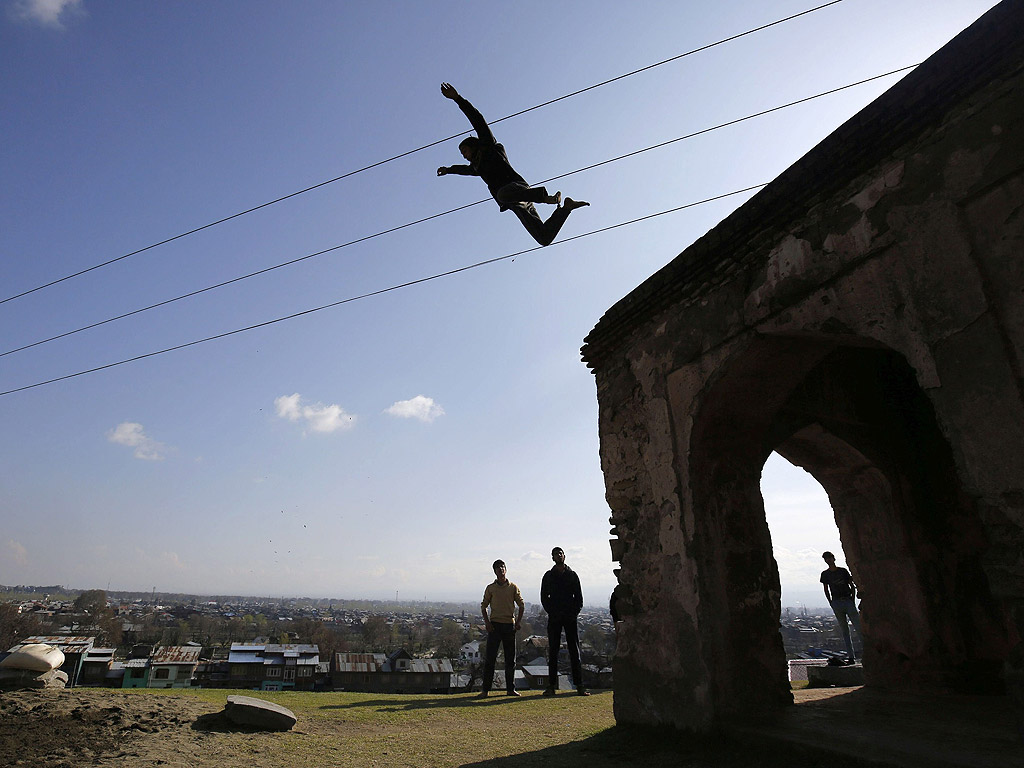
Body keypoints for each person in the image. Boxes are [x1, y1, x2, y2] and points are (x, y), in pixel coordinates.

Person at [436, 82, 589, 246]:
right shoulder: (476, 167)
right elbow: (464, 170)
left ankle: (545, 197)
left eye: (465, 151)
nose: (464, 156)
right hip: (519, 201)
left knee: (502, 194)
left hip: (517, 187)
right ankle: (566, 208)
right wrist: (448, 170)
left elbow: (478, 121)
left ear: (473, 145)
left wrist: (457, 99)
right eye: (462, 154)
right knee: (543, 238)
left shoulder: (489, 146)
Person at [540, 546, 589, 696]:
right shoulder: (548, 576)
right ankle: (551, 686)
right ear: (552, 558)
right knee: (553, 651)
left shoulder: (572, 575)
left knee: (574, 650)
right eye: (555, 554)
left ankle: (579, 685)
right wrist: (552, 612)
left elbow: (579, 598)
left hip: (569, 617)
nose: (558, 556)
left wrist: (573, 613)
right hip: (555, 618)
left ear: (564, 556)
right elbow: (544, 597)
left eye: (560, 553)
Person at [479, 559, 525, 697]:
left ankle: (510, 689)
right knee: (490, 659)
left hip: (509, 626)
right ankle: (485, 690)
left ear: (506, 569)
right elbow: (483, 606)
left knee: (510, 660)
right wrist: (487, 623)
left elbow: (521, 605)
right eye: (498, 567)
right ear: (494, 571)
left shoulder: (513, 587)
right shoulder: (490, 588)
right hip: (494, 626)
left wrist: (518, 622)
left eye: (502, 567)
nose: (501, 569)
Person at [820, 551, 863, 663]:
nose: (828, 560)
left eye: (829, 558)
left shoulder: (843, 571)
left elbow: (851, 585)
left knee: (859, 628)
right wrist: (831, 602)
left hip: (847, 601)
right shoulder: (825, 574)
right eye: (826, 559)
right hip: (837, 602)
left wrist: (852, 599)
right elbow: (826, 589)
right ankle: (851, 657)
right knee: (845, 631)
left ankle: (868, 652)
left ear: (833, 558)